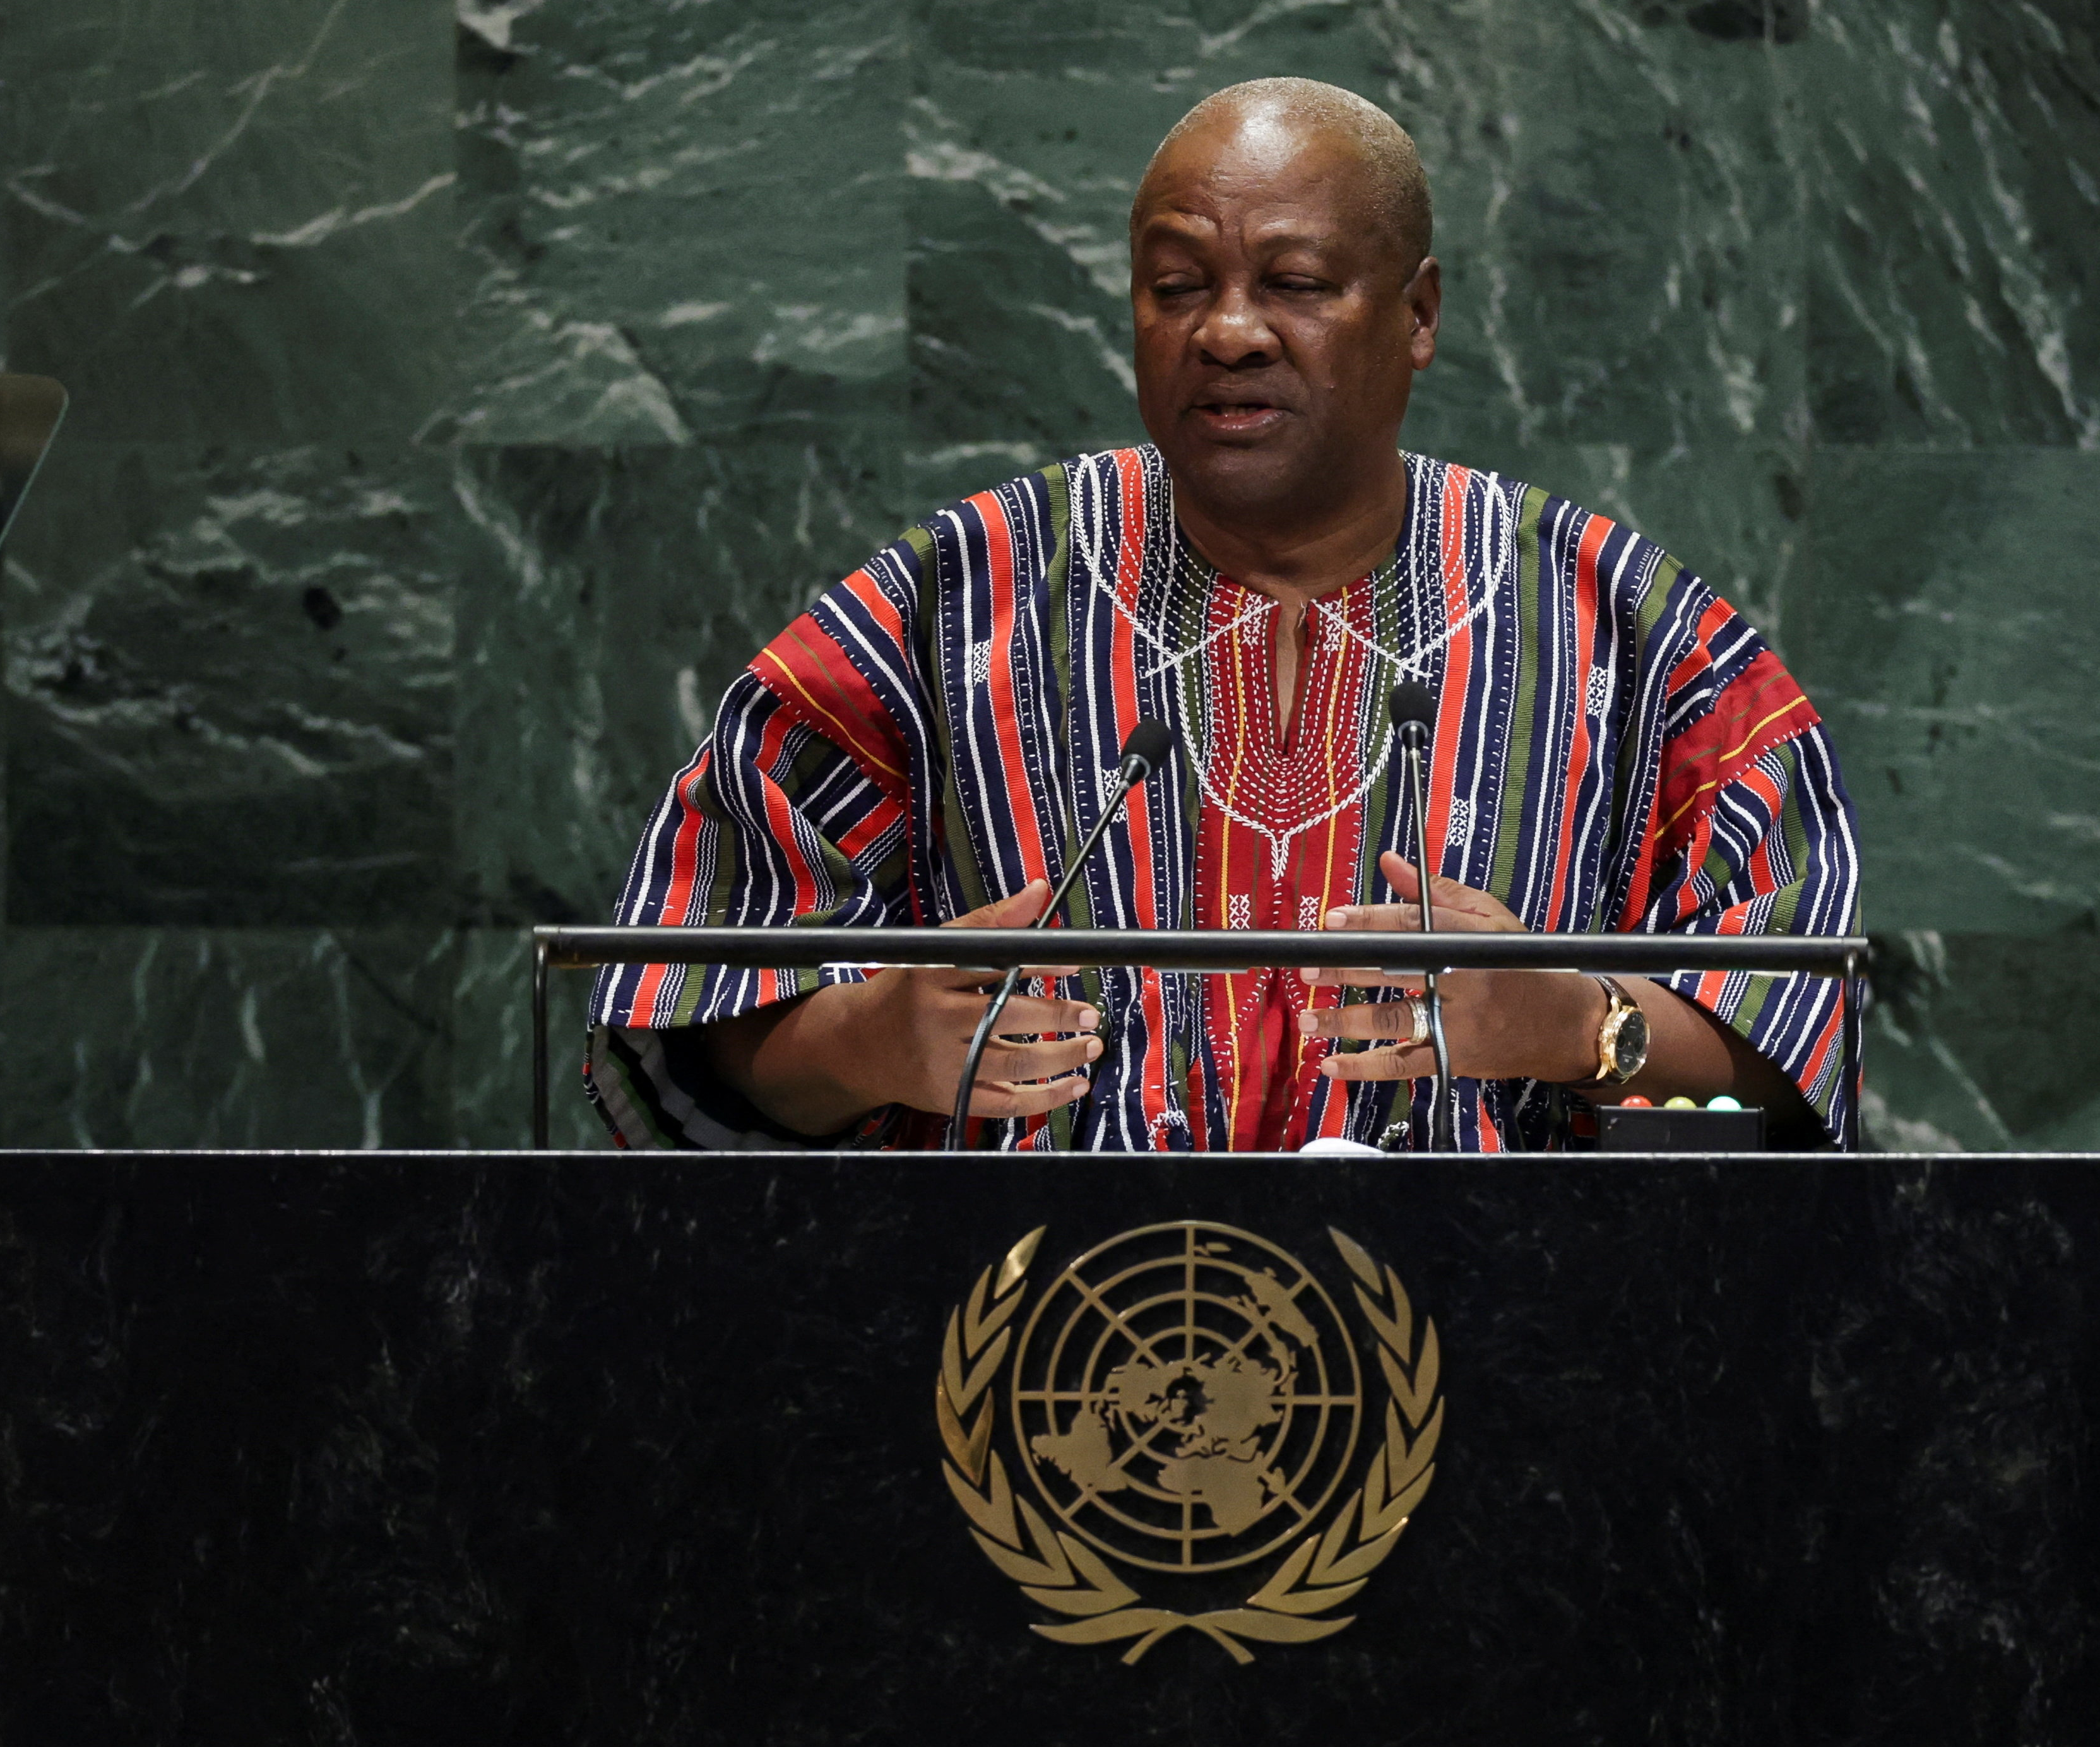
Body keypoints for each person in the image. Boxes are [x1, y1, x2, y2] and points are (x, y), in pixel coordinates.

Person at [586, 77, 1860, 1153]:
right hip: (1039, 1371)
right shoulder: (946, 602)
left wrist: (1582, 1028)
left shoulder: (1631, 633)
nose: (1228, 331)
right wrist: (872, 1038)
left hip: (1497, 1369)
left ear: (1415, 315)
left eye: (1294, 282)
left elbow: (1796, 1055)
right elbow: (685, 1035)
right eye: (1176, 285)